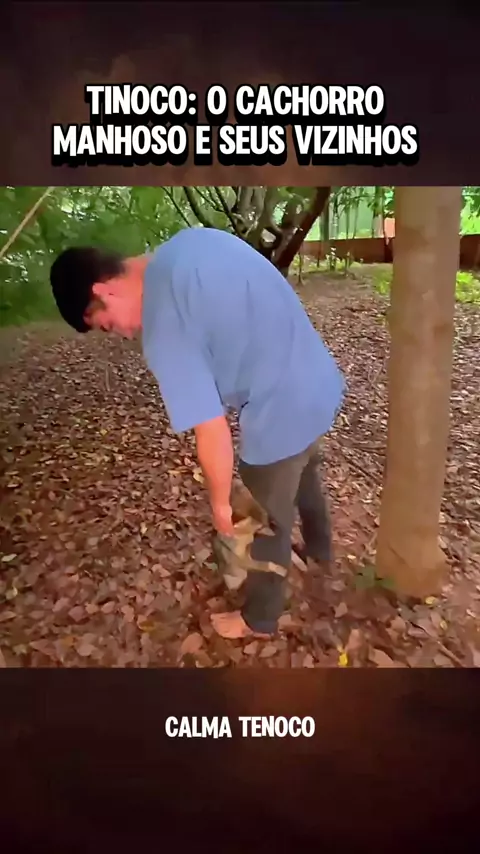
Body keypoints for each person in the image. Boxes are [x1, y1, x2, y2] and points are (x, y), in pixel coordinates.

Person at [50, 227, 345, 640]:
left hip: (281, 404)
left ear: (105, 290)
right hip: (318, 377)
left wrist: (221, 505)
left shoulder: (163, 324)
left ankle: (259, 619)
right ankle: (319, 551)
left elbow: (211, 430)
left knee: (262, 509)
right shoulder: (190, 242)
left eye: (106, 324)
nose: (122, 333)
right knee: (304, 465)